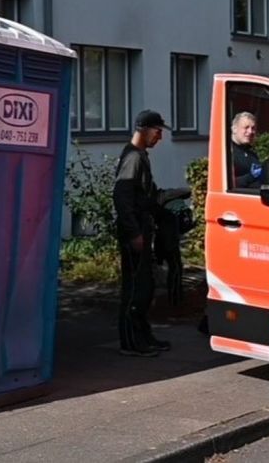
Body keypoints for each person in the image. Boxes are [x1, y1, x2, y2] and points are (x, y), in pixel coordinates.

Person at [113, 109, 172, 357]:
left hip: (141, 228)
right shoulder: (133, 159)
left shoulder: (140, 156)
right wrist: (134, 233)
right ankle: (131, 342)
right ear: (145, 130)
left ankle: (143, 335)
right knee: (136, 288)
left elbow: (146, 195)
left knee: (144, 287)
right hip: (133, 233)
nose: (160, 137)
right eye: (158, 132)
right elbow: (122, 197)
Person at [231, 111, 262, 189]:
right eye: (246, 127)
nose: (250, 131)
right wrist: (250, 177)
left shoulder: (252, 154)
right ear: (234, 129)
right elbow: (228, 184)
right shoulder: (227, 153)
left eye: (253, 128)